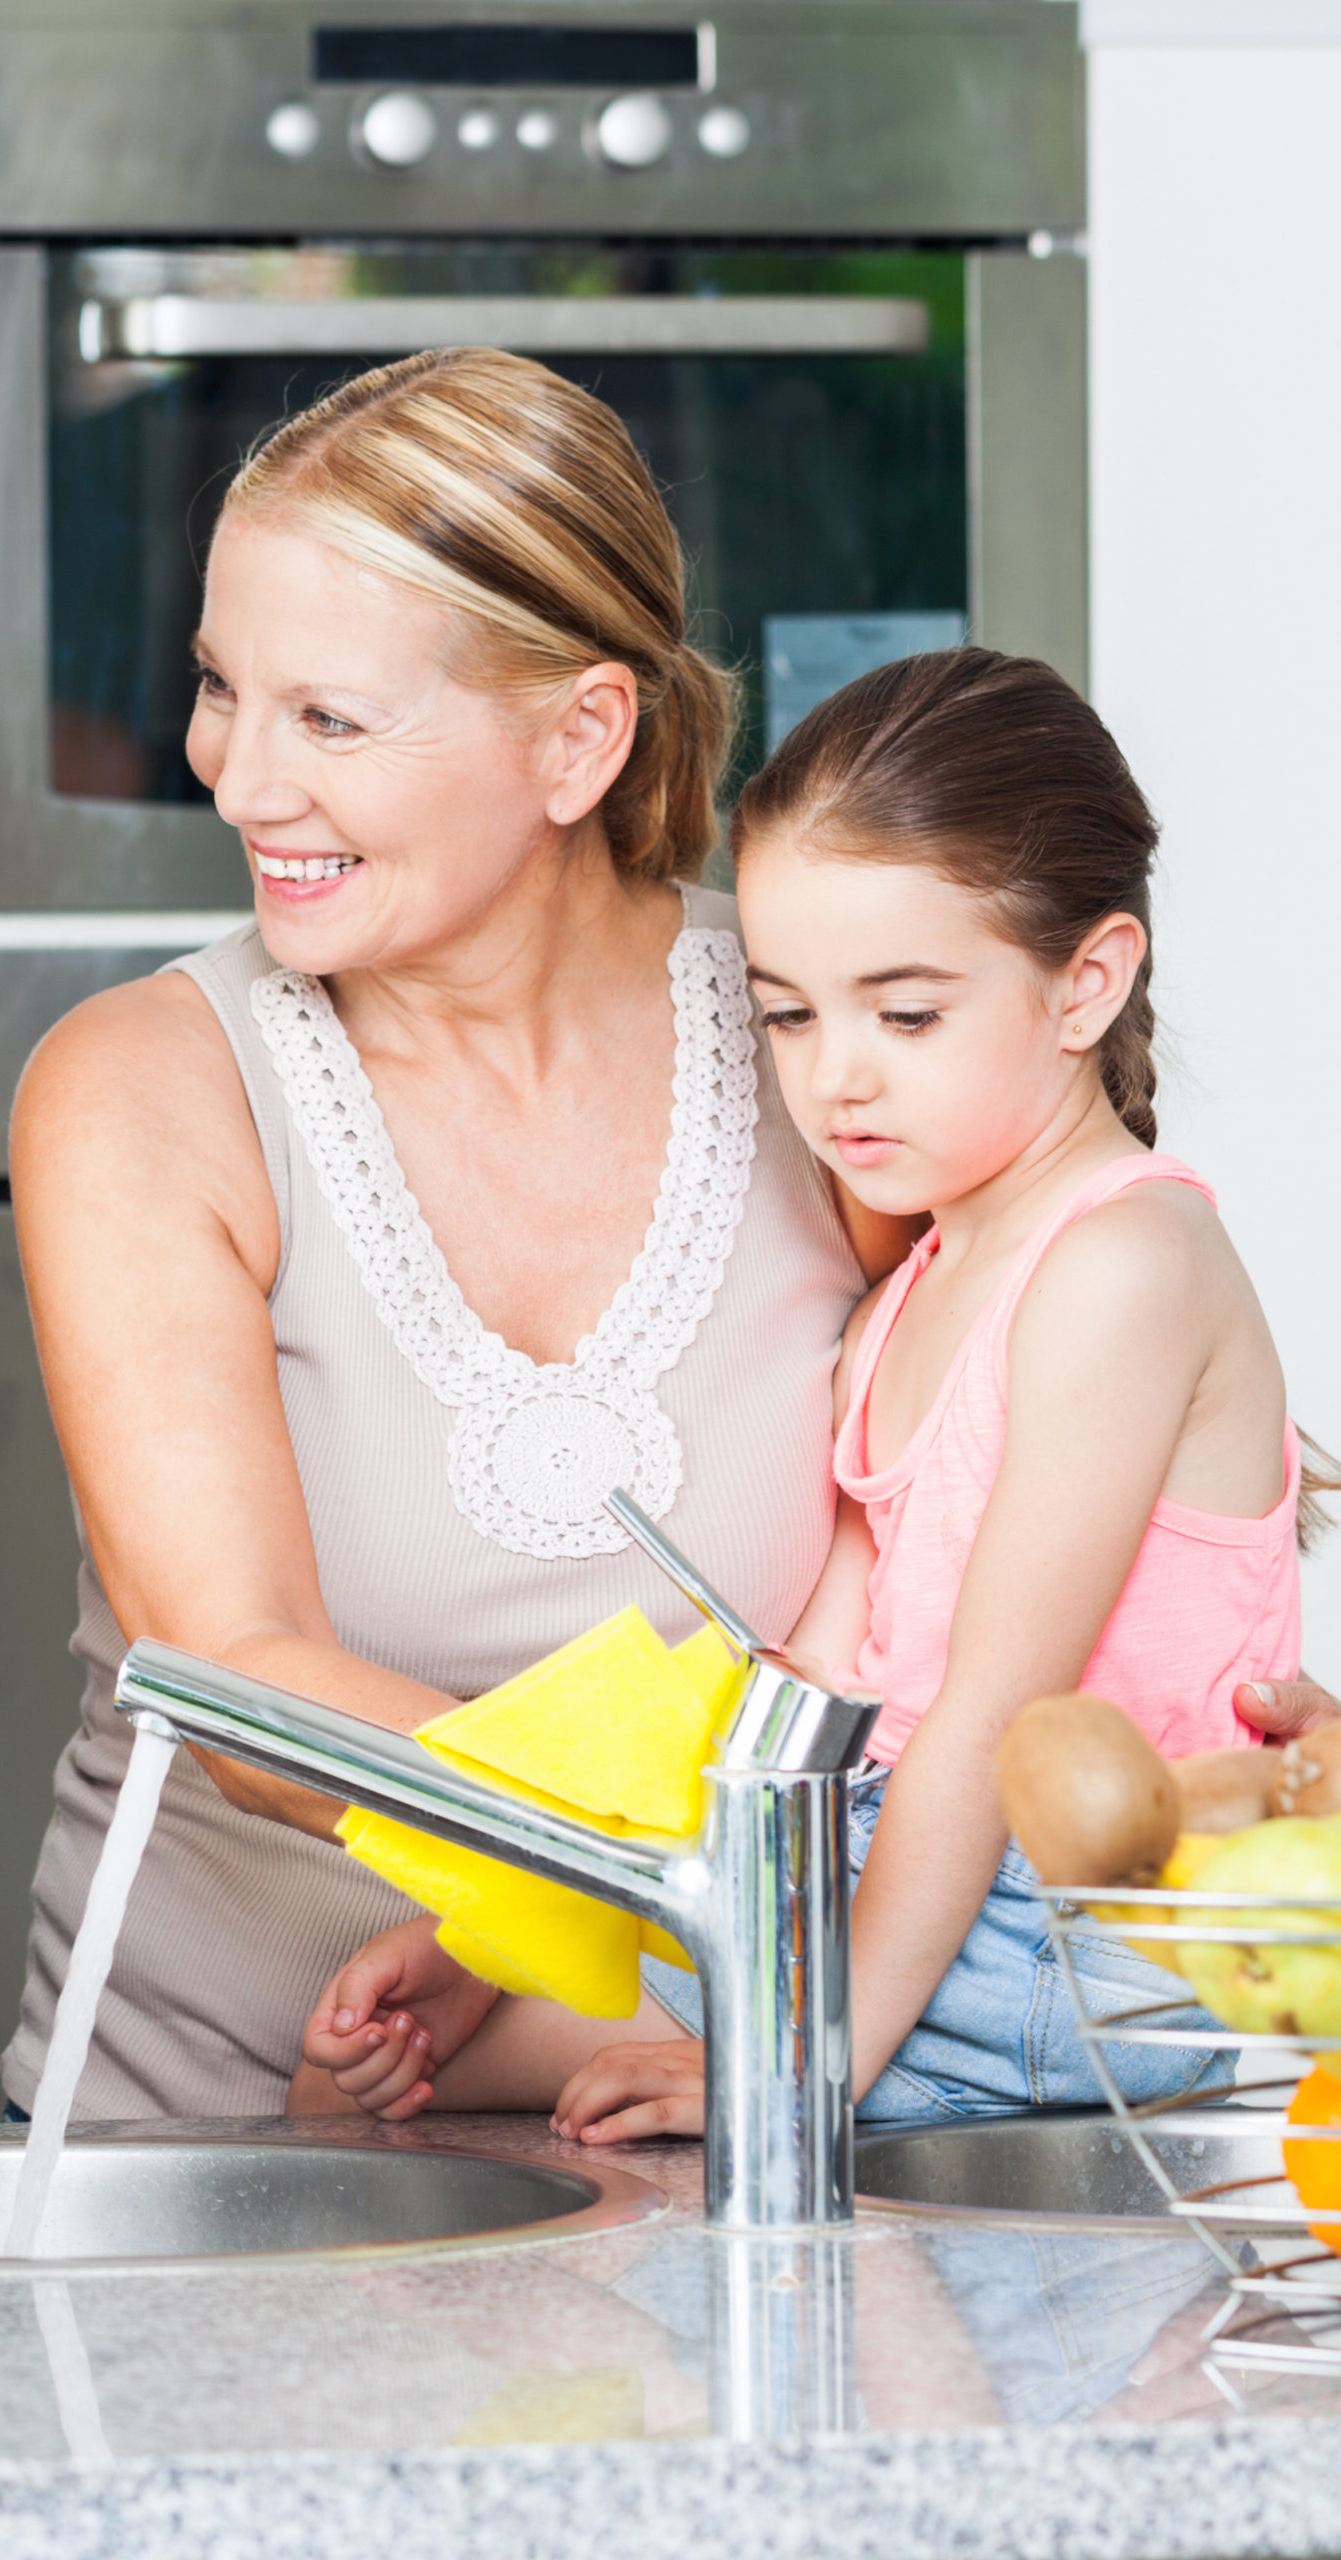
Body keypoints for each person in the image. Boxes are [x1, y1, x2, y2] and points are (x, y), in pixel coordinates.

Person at [0, 347, 936, 2123]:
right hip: (213, 2137)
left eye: (330, 722)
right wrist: (606, 1871)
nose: (237, 781)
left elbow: (963, 1539)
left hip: (702, 2090)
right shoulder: (142, 1085)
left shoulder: (826, 1038)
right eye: (219, 689)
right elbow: (230, 1663)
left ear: (579, 738)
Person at [303, 647, 1315, 2135]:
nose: (836, 1080)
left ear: (1087, 982)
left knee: (466, 2106)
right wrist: (513, 1941)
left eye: (905, 1016)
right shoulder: (913, 1290)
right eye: (789, 1015)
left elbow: (990, 1713)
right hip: (901, 1874)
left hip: (1066, 1933)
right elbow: (806, 1693)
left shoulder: (1124, 1266)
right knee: (406, 2068)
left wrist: (805, 2055)